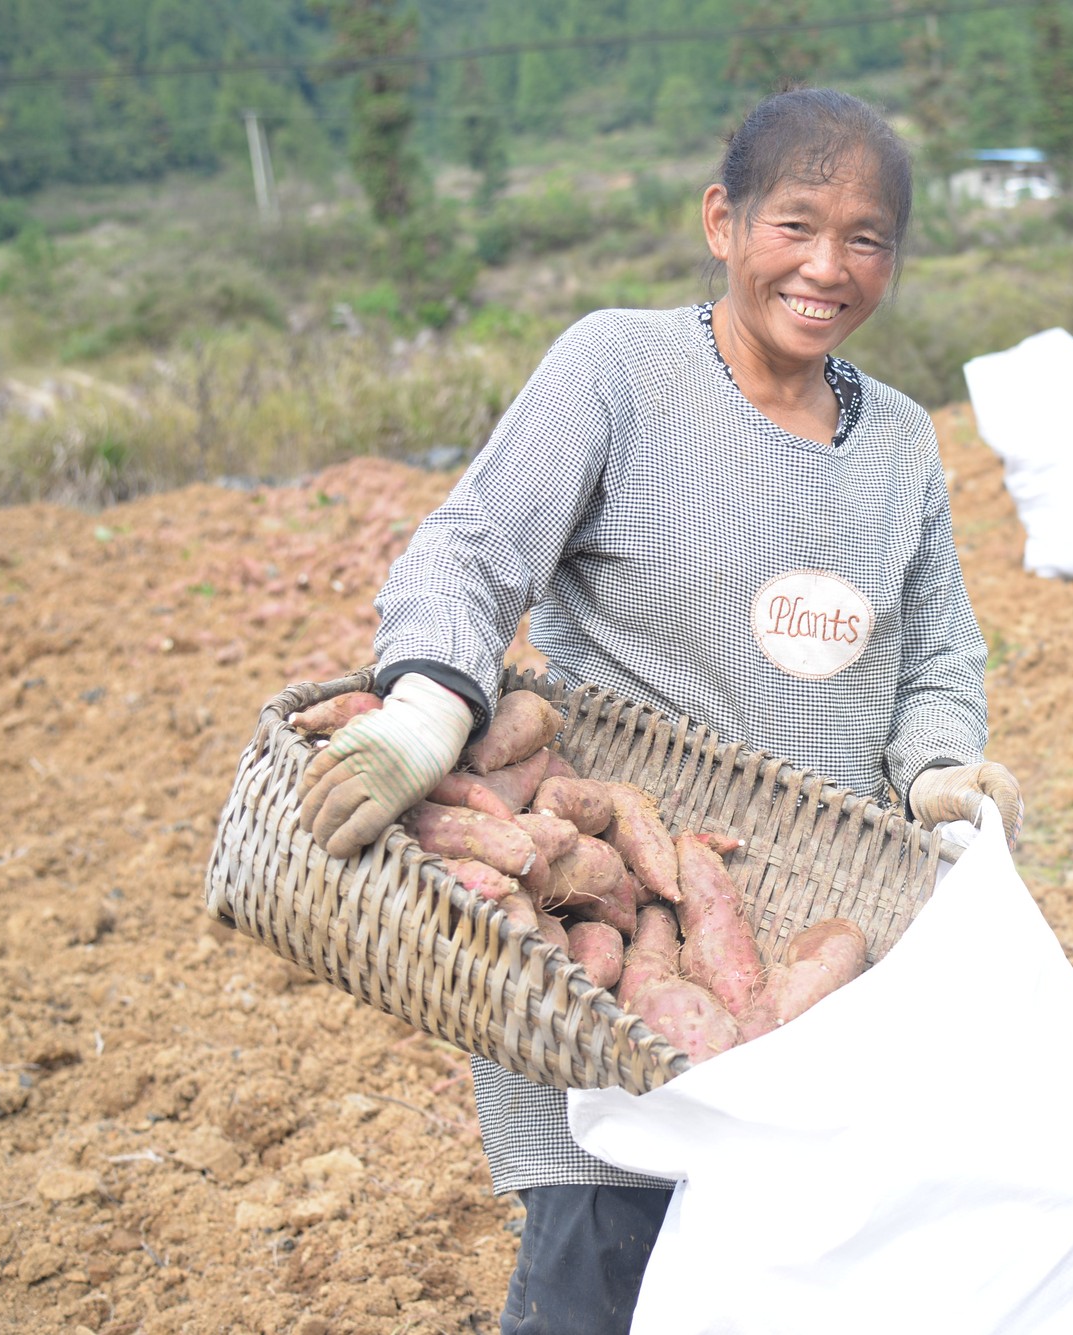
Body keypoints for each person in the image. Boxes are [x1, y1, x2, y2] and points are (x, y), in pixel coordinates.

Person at [296, 87, 1023, 1335]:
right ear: (720, 222)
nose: (827, 267)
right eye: (795, 224)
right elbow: (472, 553)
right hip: (618, 940)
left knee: (799, 1288)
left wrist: (938, 771)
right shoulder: (616, 371)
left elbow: (936, 653)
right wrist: (426, 704)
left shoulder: (898, 441)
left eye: (866, 239)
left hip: (807, 952)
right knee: (600, 1273)